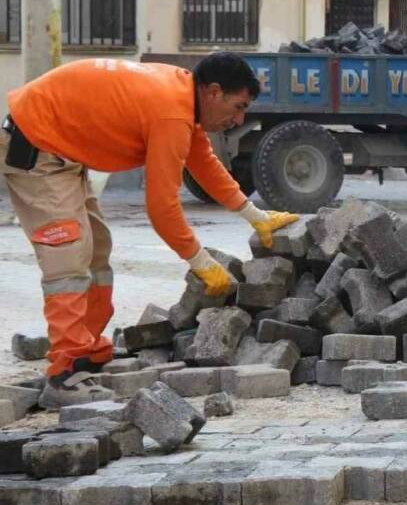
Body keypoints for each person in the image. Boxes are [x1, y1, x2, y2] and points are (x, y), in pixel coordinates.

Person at [0, 52, 298, 408]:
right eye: (238, 106)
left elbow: (202, 161)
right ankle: (64, 376)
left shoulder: (182, 96)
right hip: (36, 144)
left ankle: (85, 352)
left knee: (97, 249)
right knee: (69, 257)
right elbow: (161, 207)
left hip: (60, 146)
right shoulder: (171, 110)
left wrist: (255, 215)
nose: (239, 118)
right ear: (214, 92)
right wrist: (199, 261)